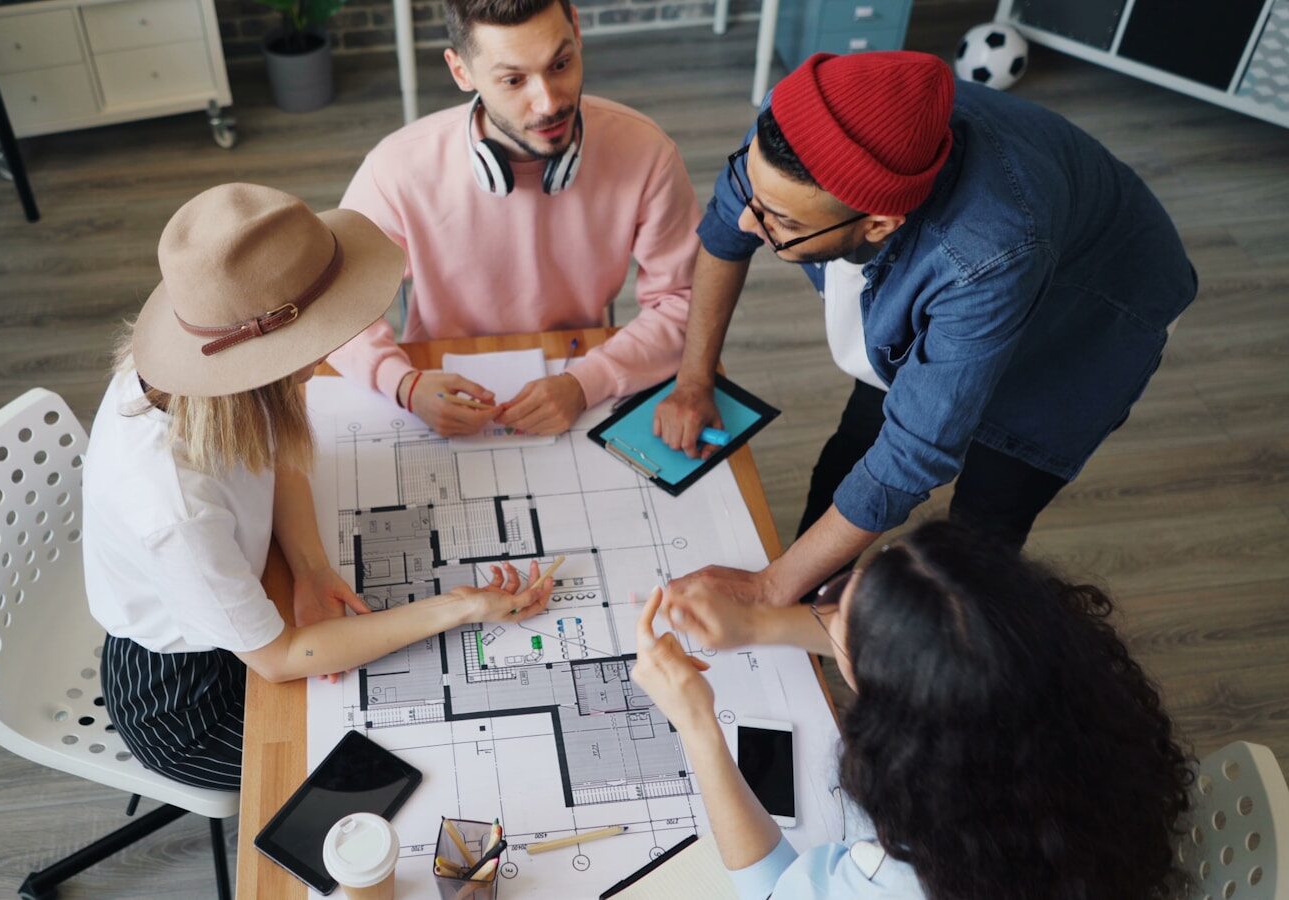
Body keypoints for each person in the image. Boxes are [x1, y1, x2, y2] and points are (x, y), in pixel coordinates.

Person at [652, 51, 1197, 628]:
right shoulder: (799, 128)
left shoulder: (987, 251)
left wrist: (766, 590)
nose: (748, 220)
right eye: (753, 191)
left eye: (782, 223)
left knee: (979, 533)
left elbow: (914, 454)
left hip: (1091, 308)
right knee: (858, 445)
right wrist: (693, 381)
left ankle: (950, 662)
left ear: (879, 224)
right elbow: (723, 233)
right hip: (1001, 251)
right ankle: (816, 599)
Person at [81, 184, 554, 790]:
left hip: (244, 602)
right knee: (411, 767)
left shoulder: (225, 384)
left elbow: (279, 456)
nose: (328, 349)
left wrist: (309, 568)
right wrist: (463, 606)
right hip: (189, 699)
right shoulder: (174, 508)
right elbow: (278, 660)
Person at [628, 521, 1193, 899]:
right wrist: (758, 623)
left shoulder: (900, 873)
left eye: (841, 614)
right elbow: (938, 642)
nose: (827, 616)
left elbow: (771, 892)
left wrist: (697, 725)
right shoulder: (1077, 712)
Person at [327, 0, 701, 438]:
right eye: (513, 79)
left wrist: (587, 382)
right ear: (461, 72)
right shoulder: (396, 168)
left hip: (581, 369)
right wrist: (403, 384)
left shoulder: (647, 152)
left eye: (560, 64)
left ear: (577, 31)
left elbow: (687, 300)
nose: (549, 103)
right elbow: (334, 303)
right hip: (439, 378)